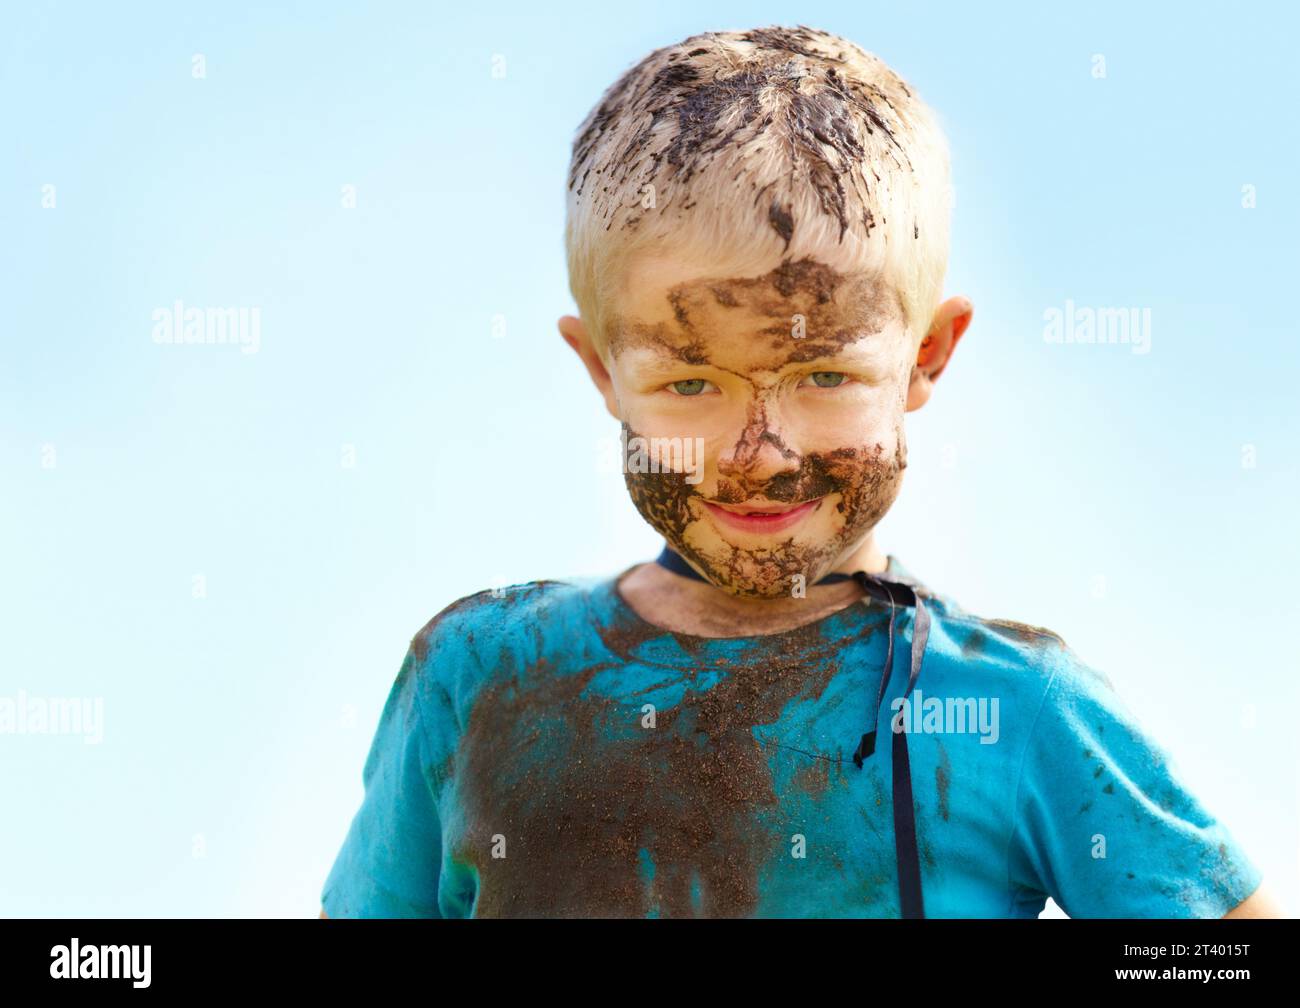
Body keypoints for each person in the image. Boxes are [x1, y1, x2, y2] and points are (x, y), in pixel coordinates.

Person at [320, 25, 1281, 918]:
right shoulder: (477, 675)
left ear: (927, 359)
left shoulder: (1016, 709)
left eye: (824, 374)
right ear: (602, 371)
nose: (762, 454)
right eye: (691, 382)